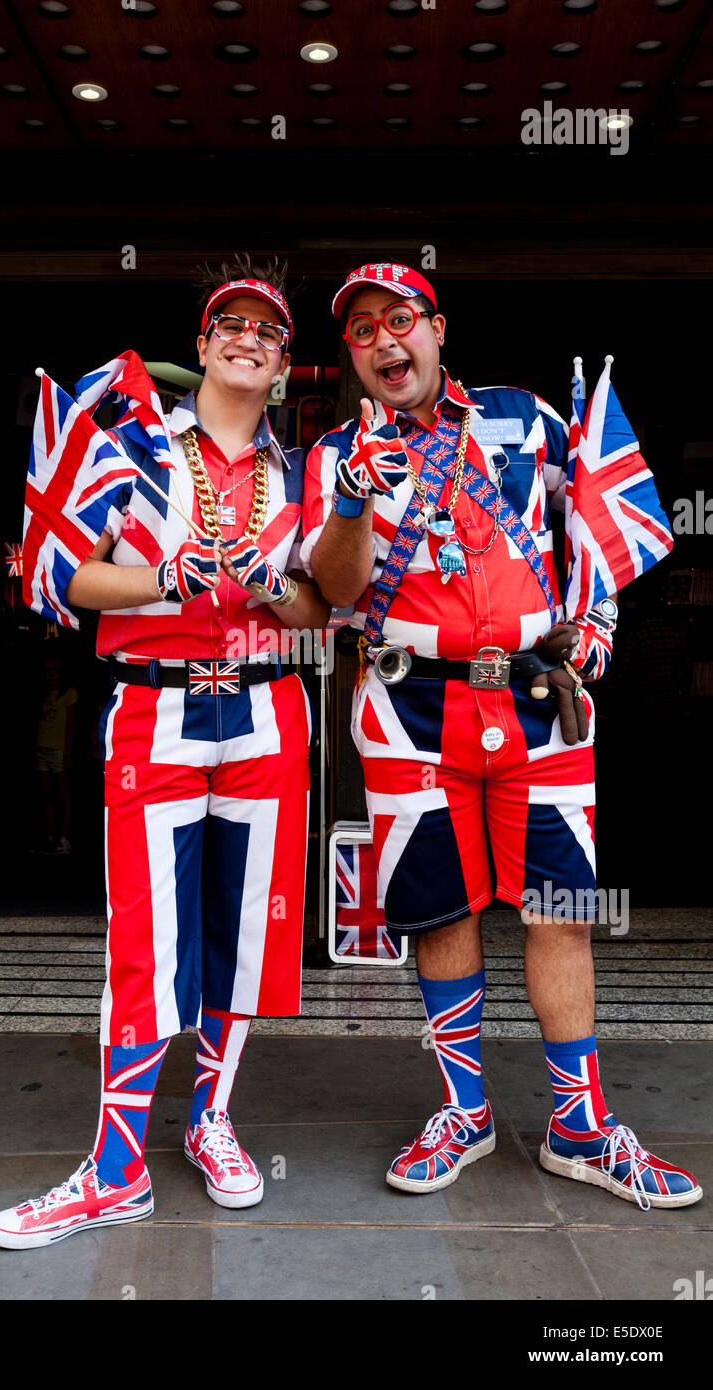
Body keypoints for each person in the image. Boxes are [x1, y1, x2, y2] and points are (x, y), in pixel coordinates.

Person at [301, 262, 701, 1211]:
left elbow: (592, 528)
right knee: (440, 911)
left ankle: (581, 1127)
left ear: (437, 329)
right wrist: (355, 498)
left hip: (536, 696)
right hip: (408, 708)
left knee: (561, 908)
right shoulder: (329, 457)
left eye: (400, 321)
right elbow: (339, 590)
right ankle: (466, 1113)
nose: (385, 344)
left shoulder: (526, 418)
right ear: (353, 356)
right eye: (363, 333)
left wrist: (597, 619)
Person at [0, 256, 329, 1248]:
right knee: (143, 939)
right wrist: (164, 581)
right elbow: (57, 578)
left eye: (267, 331)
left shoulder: (303, 473)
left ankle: (211, 1121)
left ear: (281, 362)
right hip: (154, 711)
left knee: (240, 933)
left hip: (268, 712)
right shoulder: (131, 450)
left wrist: (278, 592)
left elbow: (324, 608)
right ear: (203, 344)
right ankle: (116, 1163)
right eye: (231, 323)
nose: (247, 339)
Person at [33, 654, 77, 854]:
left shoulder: (69, 694)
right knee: (47, 794)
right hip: (43, 747)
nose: (51, 676)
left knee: (63, 793)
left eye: (55, 671)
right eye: (48, 671)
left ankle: (64, 838)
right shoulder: (45, 694)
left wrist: (68, 753)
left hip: (59, 750)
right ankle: (50, 836)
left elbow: (71, 725)